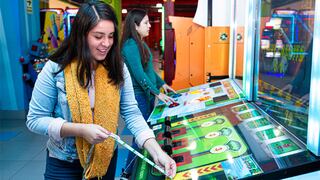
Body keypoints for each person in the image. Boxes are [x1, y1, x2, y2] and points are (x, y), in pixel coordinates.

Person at [26, 2, 176, 180]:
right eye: (98, 36)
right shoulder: (56, 68)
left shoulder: (117, 67)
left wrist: (156, 152)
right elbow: (35, 120)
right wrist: (80, 130)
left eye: (111, 36)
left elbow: (132, 113)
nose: (106, 44)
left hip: (104, 159)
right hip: (64, 162)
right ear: (81, 35)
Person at [121, 9, 176, 120]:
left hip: (147, 93)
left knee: (148, 129)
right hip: (139, 96)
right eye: (146, 23)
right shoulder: (130, 45)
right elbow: (139, 74)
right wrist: (157, 92)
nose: (149, 25)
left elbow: (148, 69)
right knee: (143, 132)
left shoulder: (140, 43)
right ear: (135, 26)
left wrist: (162, 84)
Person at [282, 40, 313, 104]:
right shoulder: (315, 39)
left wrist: (315, 95)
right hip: (305, 98)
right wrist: (293, 84)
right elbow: (304, 67)